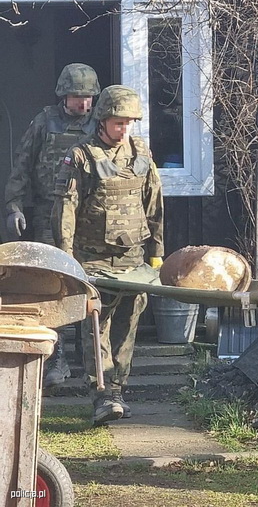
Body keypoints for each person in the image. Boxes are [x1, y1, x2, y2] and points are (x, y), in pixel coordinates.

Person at [51, 84, 164, 425]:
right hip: (93, 260)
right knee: (95, 326)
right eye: (118, 123)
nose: (124, 129)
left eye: (129, 123)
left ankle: (117, 389)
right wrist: (67, 260)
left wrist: (157, 254)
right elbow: (66, 210)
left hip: (133, 260)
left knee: (127, 326)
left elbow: (154, 204)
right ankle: (101, 394)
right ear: (102, 120)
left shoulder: (141, 154)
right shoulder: (81, 156)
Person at [4, 62, 101, 387]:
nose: (83, 103)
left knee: (88, 286)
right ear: (63, 95)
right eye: (77, 97)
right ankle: (56, 359)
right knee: (54, 287)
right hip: (49, 215)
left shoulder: (101, 124)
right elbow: (22, 166)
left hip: (89, 219)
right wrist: (14, 207)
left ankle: (91, 361)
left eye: (88, 97)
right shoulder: (45, 122)